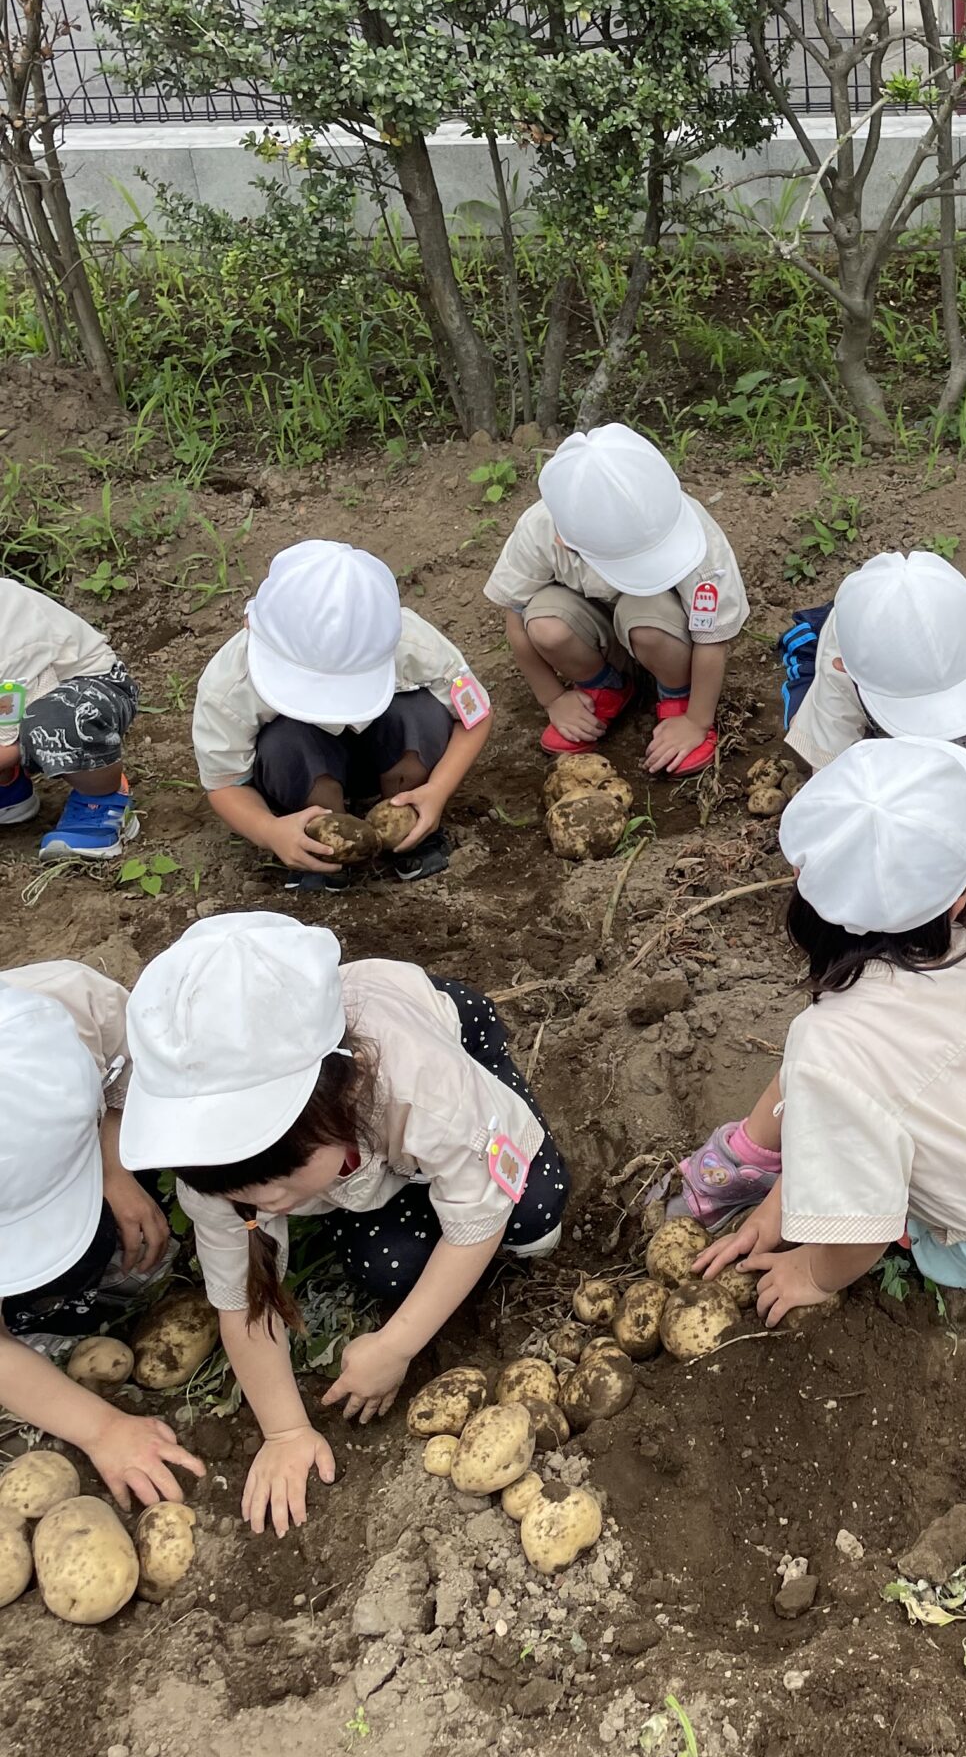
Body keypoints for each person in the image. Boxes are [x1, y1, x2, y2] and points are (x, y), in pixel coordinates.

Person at [118, 915, 569, 1535]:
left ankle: (484, 1125)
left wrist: (396, 1345)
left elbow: (480, 1212)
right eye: (243, 1195)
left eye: (278, 1182)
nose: (266, 1205)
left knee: (532, 1212)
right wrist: (284, 1429)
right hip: (352, 1148)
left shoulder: (427, 1090)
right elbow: (239, 1300)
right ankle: (362, 1193)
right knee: (390, 1269)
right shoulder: (212, 1165)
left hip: (446, 1035)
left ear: (348, 1095)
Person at [681, 737, 966, 1317]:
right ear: (952, 905)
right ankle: (764, 1161)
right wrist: (780, 1206)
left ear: (805, 881)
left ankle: (751, 1162)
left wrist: (814, 1272)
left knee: (854, 1130)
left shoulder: (828, 1046)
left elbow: (863, 1229)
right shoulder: (954, 950)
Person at [0, 970, 203, 1506]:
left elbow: (128, 1068)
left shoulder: (74, 1009)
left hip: (89, 1151)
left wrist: (115, 1169)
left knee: (137, 1242)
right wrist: (100, 1429)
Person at [195, 539, 491, 890]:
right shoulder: (229, 686)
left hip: (389, 758)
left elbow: (475, 715)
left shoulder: (414, 645)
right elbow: (224, 782)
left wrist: (438, 791)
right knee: (285, 743)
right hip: (303, 772)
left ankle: (408, 818)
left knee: (419, 714)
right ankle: (322, 841)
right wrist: (269, 831)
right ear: (249, 623)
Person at [779, 550, 966, 902]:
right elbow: (832, 780)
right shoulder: (838, 669)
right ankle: (807, 639)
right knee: (819, 741)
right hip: (842, 658)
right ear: (846, 668)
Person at [485, 424, 746, 777]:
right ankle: (606, 686)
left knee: (645, 617)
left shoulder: (699, 538)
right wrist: (553, 699)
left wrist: (698, 720)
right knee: (544, 622)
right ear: (566, 541)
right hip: (596, 635)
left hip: (662, 633)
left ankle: (677, 695)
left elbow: (711, 635)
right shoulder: (540, 530)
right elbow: (515, 617)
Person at [0, 574, 140, 857]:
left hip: (86, 688)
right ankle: (9, 788)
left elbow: (7, 732)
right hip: (15, 703)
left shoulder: (10, 628)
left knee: (55, 721)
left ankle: (102, 799)